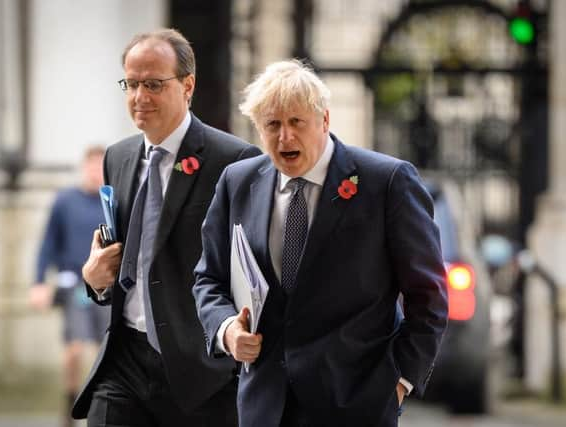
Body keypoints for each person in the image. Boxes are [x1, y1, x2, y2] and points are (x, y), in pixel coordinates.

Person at [192, 60, 449, 427]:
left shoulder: (385, 182)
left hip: (356, 404)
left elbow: (430, 295)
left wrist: (401, 380)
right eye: (272, 125)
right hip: (265, 407)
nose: (285, 138)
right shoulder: (237, 182)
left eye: (296, 122)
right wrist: (227, 329)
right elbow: (209, 278)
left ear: (324, 120)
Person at [71, 28, 261, 427]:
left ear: (187, 85)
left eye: (154, 84)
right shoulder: (118, 157)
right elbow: (121, 255)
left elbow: (250, 266)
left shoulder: (233, 159)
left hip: (199, 371)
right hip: (123, 361)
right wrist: (95, 279)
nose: (140, 97)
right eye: (132, 83)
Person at [31, 145, 110, 427]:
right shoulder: (65, 201)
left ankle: (104, 406)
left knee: (108, 351)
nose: (95, 172)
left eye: (100, 167)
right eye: (91, 166)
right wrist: (39, 282)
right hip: (74, 284)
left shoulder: (111, 203)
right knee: (74, 349)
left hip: (106, 287)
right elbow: (47, 244)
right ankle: (70, 402)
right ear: (83, 168)